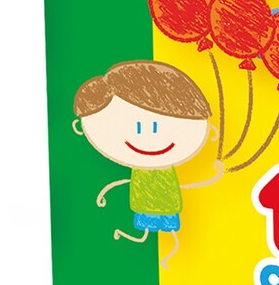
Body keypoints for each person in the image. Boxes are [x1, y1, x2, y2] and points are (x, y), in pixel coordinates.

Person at [73, 60, 223, 266]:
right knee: (147, 230)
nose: (148, 135)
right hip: (145, 206)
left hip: (168, 207)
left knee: (166, 230)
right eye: (138, 127)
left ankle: (166, 249)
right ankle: (155, 244)